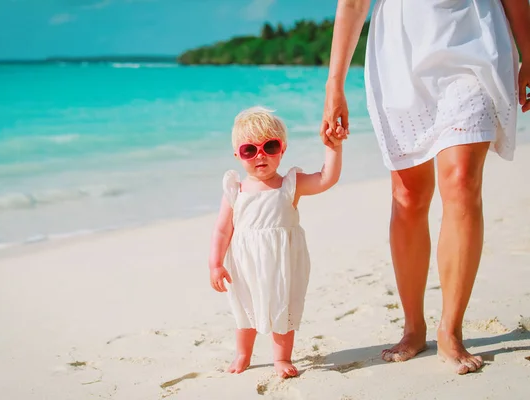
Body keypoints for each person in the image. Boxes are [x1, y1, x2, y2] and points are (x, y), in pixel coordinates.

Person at [320, 0, 530, 375]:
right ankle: (413, 327)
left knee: (462, 181)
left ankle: (450, 329)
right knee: (408, 196)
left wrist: (528, 49)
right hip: (401, 54)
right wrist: (334, 83)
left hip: (474, 39)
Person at [208, 106, 343, 378]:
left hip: (283, 262)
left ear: (282, 149)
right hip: (245, 265)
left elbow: (326, 179)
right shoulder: (236, 190)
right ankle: (243, 354)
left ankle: (281, 358)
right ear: (238, 154)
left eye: (270, 146)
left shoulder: (290, 184)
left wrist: (334, 147)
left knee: (283, 307)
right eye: (250, 150)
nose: (260, 155)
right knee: (245, 309)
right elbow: (222, 230)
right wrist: (215, 264)